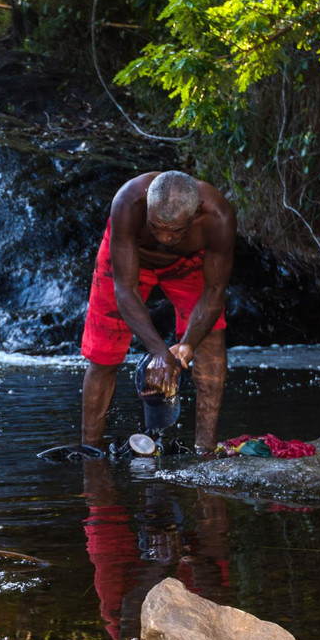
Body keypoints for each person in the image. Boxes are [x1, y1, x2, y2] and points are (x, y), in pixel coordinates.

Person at [80, 170, 235, 454]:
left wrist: (187, 344)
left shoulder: (218, 217)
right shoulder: (128, 201)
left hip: (188, 262)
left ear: (196, 213)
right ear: (146, 206)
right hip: (131, 260)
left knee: (211, 340)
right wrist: (160, 352)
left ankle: (205, 448)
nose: (163, 237)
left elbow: (215, 291)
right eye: (155, 227)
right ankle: (90, 450)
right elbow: (125, 291)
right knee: (103, 353)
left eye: (175, 231)